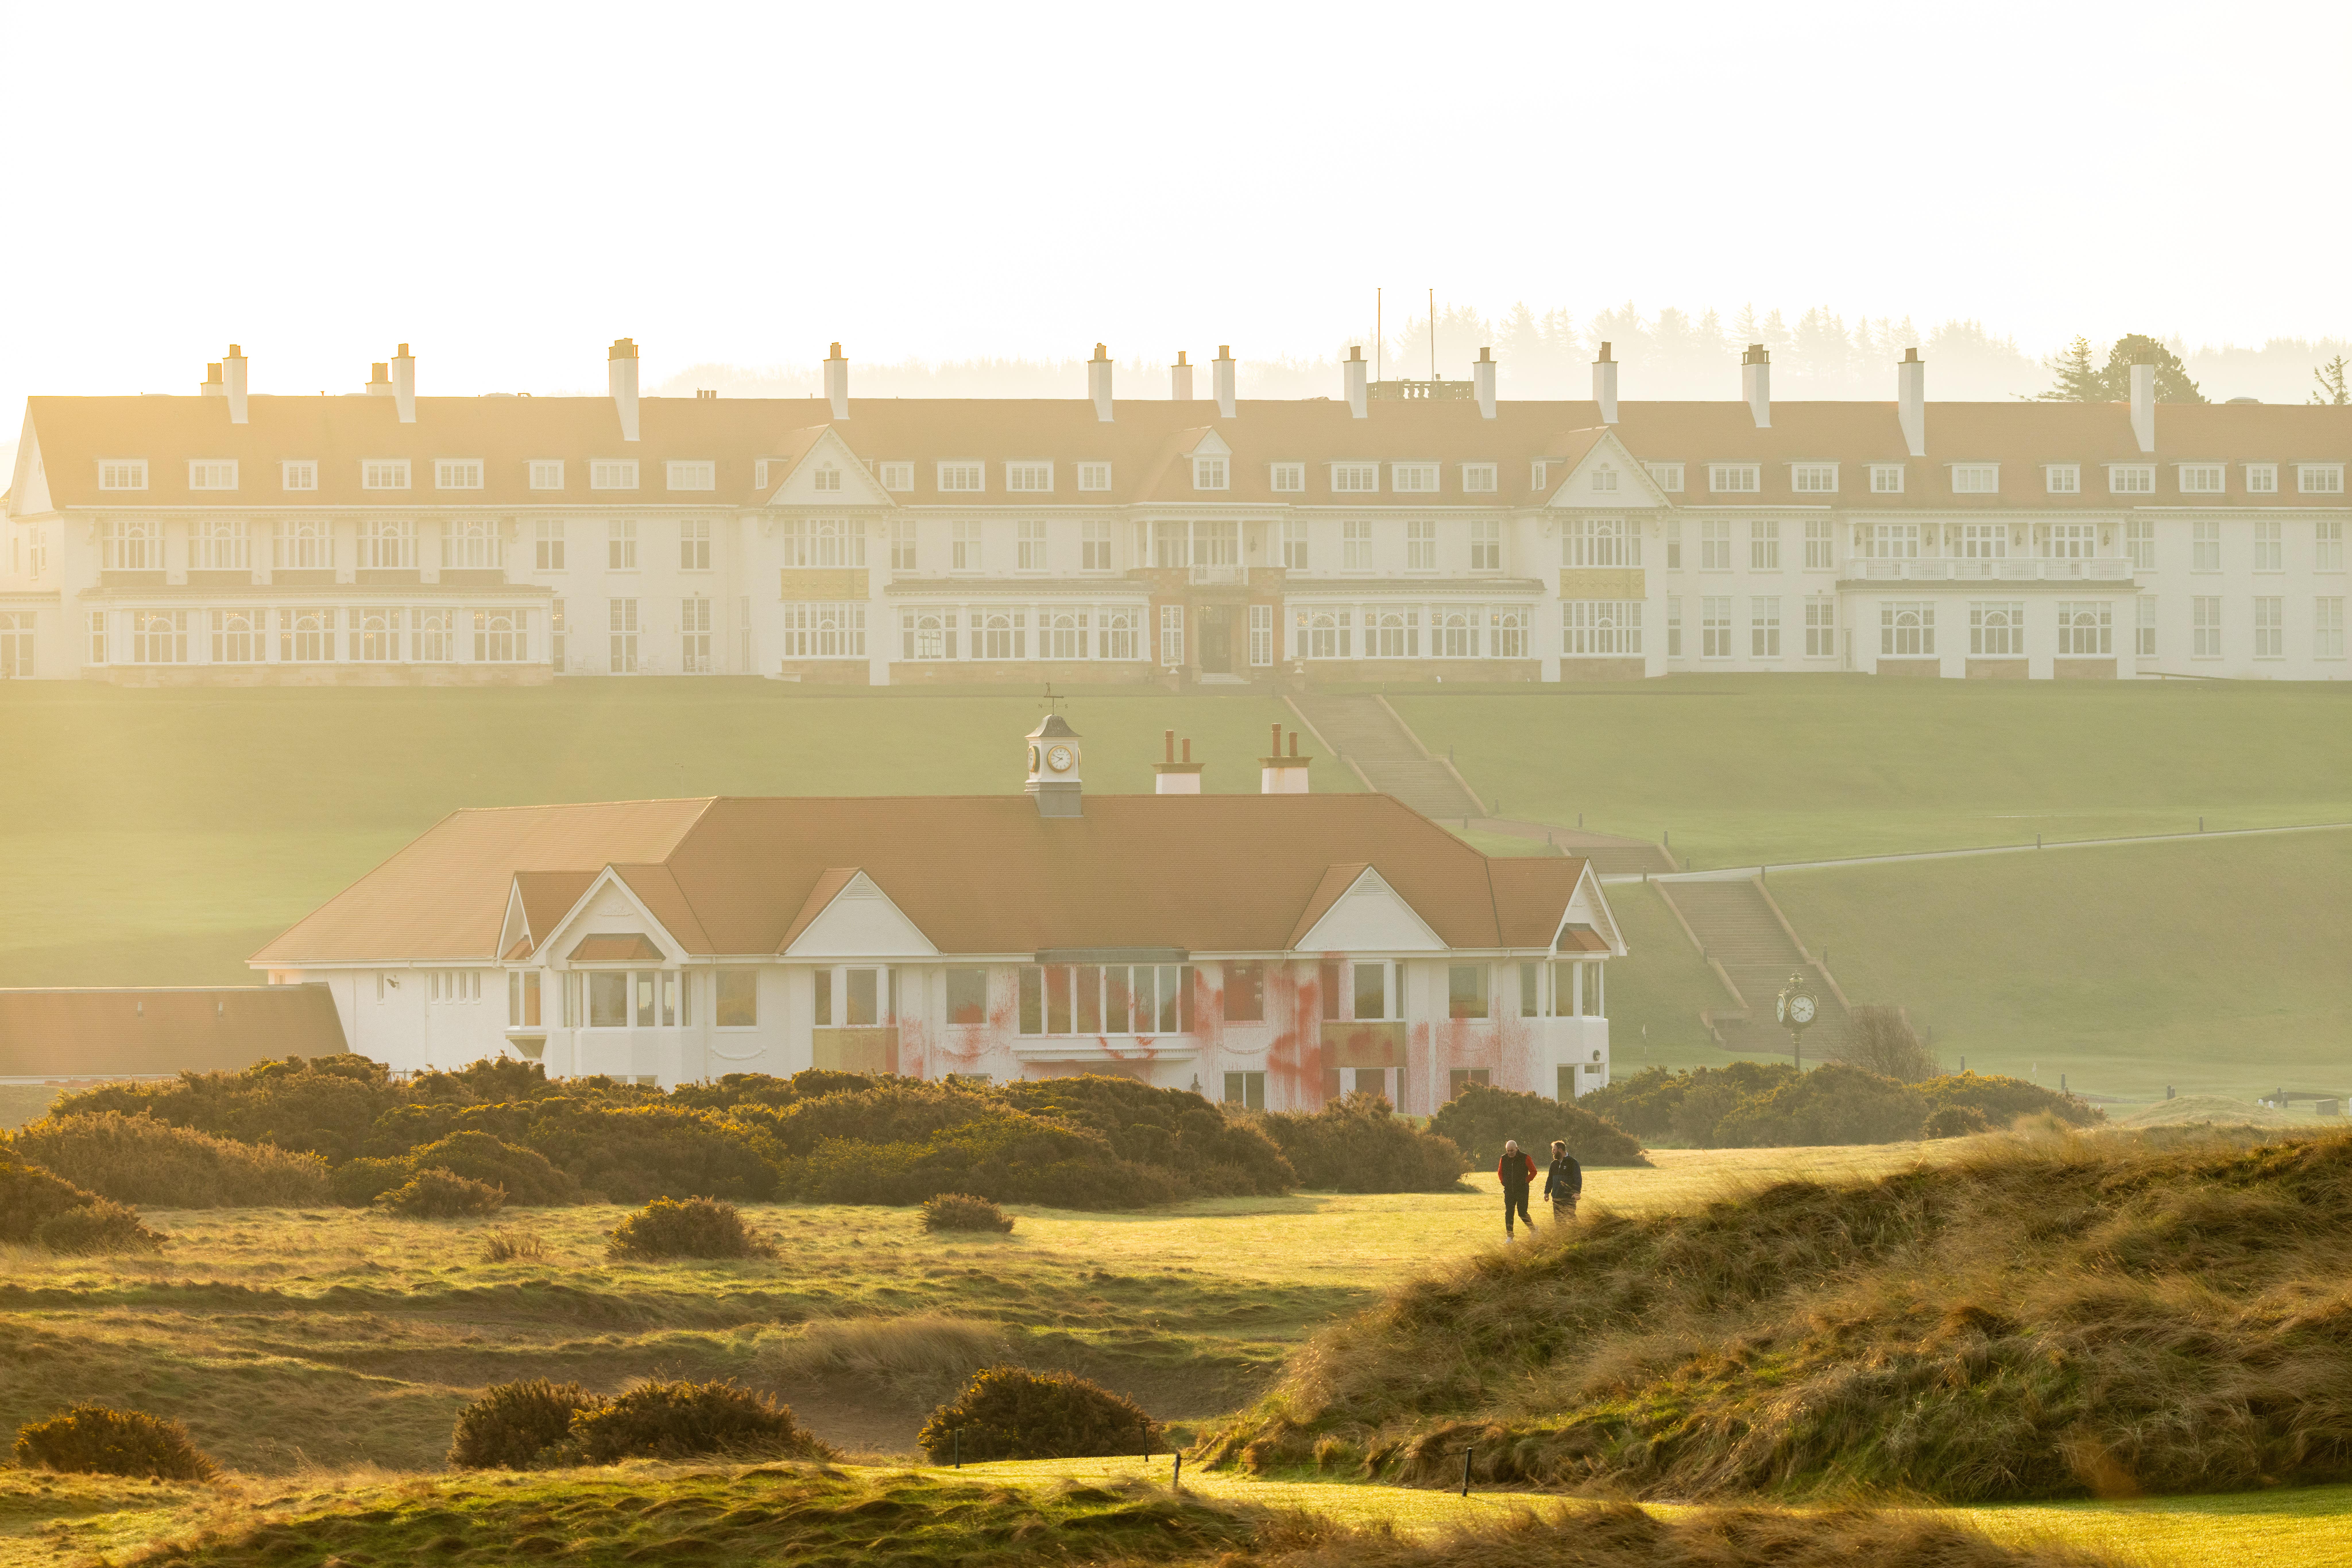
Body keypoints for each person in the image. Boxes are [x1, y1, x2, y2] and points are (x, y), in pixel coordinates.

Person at [1497, 1139, 1536, 1237]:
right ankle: (1510, 1237)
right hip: (1509, 1191)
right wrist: (1503, 1182)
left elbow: (1534, 1171)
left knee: (1522, 1213)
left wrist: (1526, 1181)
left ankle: (1534, 1230)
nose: (1510, 1153)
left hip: (1522, 1191)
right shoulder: (1504, 1158)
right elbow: (1500, 1172)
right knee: (1509, 1213)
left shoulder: (1525, 1157)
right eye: (1508, 1151)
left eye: (1512, 1151)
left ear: (1517, 1149)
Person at [1544, 1139, 1583, 1224]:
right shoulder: (1554, 1164)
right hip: (1557, 1198)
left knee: (1571, 1219)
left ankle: (1581, 1235)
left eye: (1554, 1150)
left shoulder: (1573, 1163)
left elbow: (1578, 1179)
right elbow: (1550, 1179)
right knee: (1559, 1222)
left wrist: (1577, 1192)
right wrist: (1547, 1192)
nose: (1553, 1152)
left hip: (1569, 1198)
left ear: (1560, 1150)